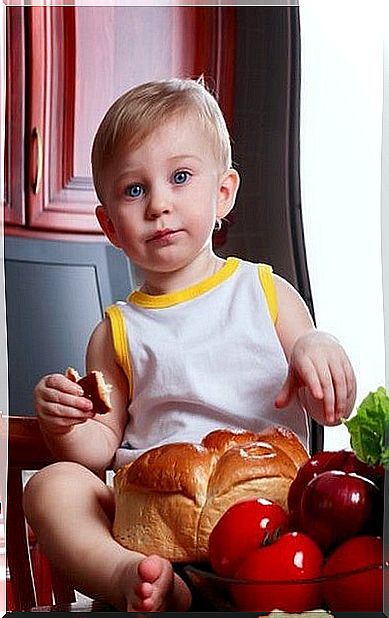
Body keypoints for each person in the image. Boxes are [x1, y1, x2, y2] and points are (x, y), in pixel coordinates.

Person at [24, 77, 356, 612]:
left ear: (222, 193)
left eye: (180, 177)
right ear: (109, 225)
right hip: (151, 529)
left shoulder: (267, 293)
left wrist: (320, 351)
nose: (159, 205)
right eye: (135, 190)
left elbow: (328, 407)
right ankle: (131, 577)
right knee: (51, 484)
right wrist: (65, 424)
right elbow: (99, 449)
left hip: (266, 528)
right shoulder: (115, 331)